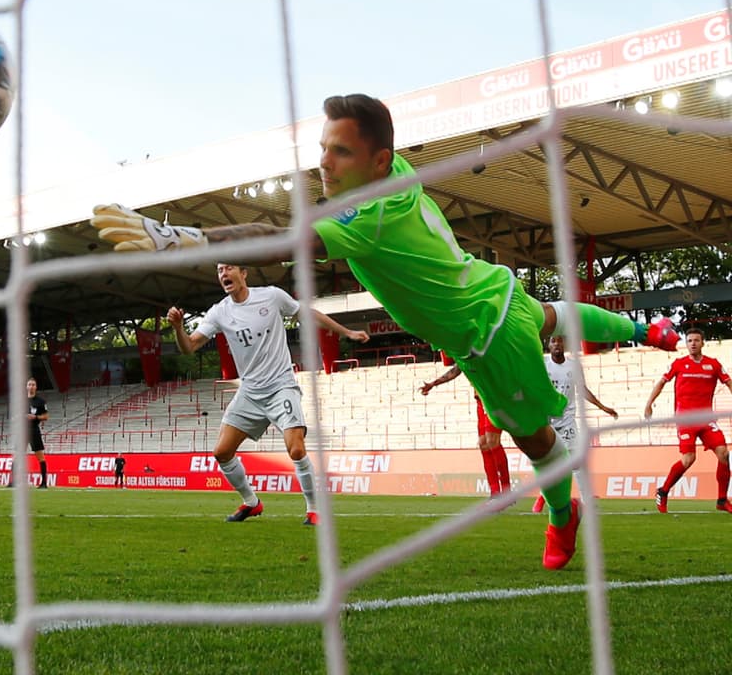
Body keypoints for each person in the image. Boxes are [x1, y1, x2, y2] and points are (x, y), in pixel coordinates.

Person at [92, 93, 680, 568]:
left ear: (377, 162)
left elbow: (280, 242)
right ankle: (642, 327)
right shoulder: (395, 173)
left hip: (486, 335)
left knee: (533, 438)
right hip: (488, 287)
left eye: (341, 152)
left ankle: (562, 515)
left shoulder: (364, 214)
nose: (324, 162)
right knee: (550, 314)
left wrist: (187, 239)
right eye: (324, 148)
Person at [168, 262, 369, 525]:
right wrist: (178, 328)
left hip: (280, 386)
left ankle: (314, 509)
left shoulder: (271, 296)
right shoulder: (219, 312)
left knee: (296, 449)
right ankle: (251, 503)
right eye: (219, 270)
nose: (224, 274)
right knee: (222, 452)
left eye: (229, 268)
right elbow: (189, 347)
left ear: (243, 273)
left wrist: (346, 331)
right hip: (250, 392)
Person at [643, 327, 732, 514]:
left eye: (696, 340)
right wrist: (649, 404)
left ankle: (722, 500)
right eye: (689, 340)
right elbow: (661, 382)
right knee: (689, 459)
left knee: (724, 454)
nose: (693, 344)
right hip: (685, 419)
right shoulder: (679, 364)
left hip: (707, 419)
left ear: (703, 343)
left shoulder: (713, 365)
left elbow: (728, 382)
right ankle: (663, 491)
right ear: (686, 344)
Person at [530, 334, 618, 513]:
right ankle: (542, 497)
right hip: (547, 422)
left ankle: (587, 500)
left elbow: (582, 390)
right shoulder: (543, 366)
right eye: (553, 341)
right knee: (550, 464)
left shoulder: (574, 366)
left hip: (568, 421)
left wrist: (602, 407)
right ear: (549, 345)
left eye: (560, 341)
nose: (557, 344)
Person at [419, 365, 512, 502]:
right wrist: (433, 384)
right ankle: (495, 492)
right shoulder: (464, 357)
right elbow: (455, 371)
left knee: (492, 441)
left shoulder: (484, 353)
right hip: (481, 401)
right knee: (483, 444)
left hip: (494, 398)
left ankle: (506, 491)